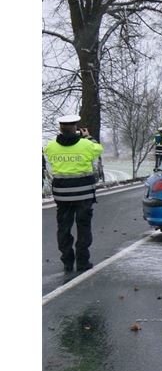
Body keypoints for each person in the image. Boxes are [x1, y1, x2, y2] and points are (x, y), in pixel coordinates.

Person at [44, 115, 103, 273]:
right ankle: (83, 262)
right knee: (83, 227)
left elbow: (49, 161)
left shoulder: (50, 146)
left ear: (60, 128)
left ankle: (67, 262)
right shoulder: (86, 144)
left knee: (63, 227)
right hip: (83, 194)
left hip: (62, 194)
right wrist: (88, 136)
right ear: (76, 127)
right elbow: (98, 149)